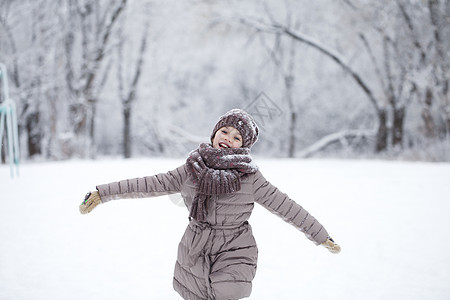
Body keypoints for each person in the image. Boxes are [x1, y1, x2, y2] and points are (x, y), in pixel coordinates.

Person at [80, 108, 341, 300]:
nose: (228, 137)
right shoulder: (191, 169)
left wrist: (320, 235)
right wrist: (103, 193)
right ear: (215, 134)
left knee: (226, 291)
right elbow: (149, 184)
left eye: (237, 137)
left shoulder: (250, 177)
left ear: (244, 146)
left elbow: (286, 206)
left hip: (235, 247)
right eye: (224, 131)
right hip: (196, 245)